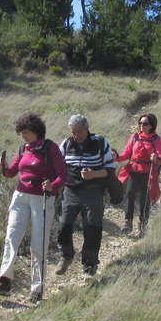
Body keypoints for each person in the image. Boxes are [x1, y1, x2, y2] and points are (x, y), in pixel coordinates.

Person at [0, 113, 67, 303]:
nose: (23, 136)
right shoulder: (23, 148)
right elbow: (11, 173)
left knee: (38, 243)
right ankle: (4, 280)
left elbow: (63, 175)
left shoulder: (51, 148)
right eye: (21, 132)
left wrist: (52, 186)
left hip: (42, 198)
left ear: (35, 131)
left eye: (25, 132)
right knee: (12, 236)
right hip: (20, 196)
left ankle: (37, 287)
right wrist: (3, 167)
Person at [56, 114, 115, 279]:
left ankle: (90, 266)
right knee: (63, 226)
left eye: (79, 132)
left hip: (93, 192)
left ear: (87, 129)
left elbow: (110, 169)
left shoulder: (100, 142)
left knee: (92, 229)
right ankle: (66, 255)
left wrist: (94, 174)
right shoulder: (66, 144)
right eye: (73, 132)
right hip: (70, 192)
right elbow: (58, 166)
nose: (76, 136)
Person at [114, 113, 161, 238]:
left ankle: (143, 224)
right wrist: (117, 157)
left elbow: (160, 157)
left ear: (151, 125)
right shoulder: (135, 137)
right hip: (134, 169)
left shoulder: (155, 139)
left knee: (144, 198)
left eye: (145, 123)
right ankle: (128, 221)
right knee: (129, 193)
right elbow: (126, 153)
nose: (142, 125)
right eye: (140, 123)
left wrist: (156, 157)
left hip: (147, 171)